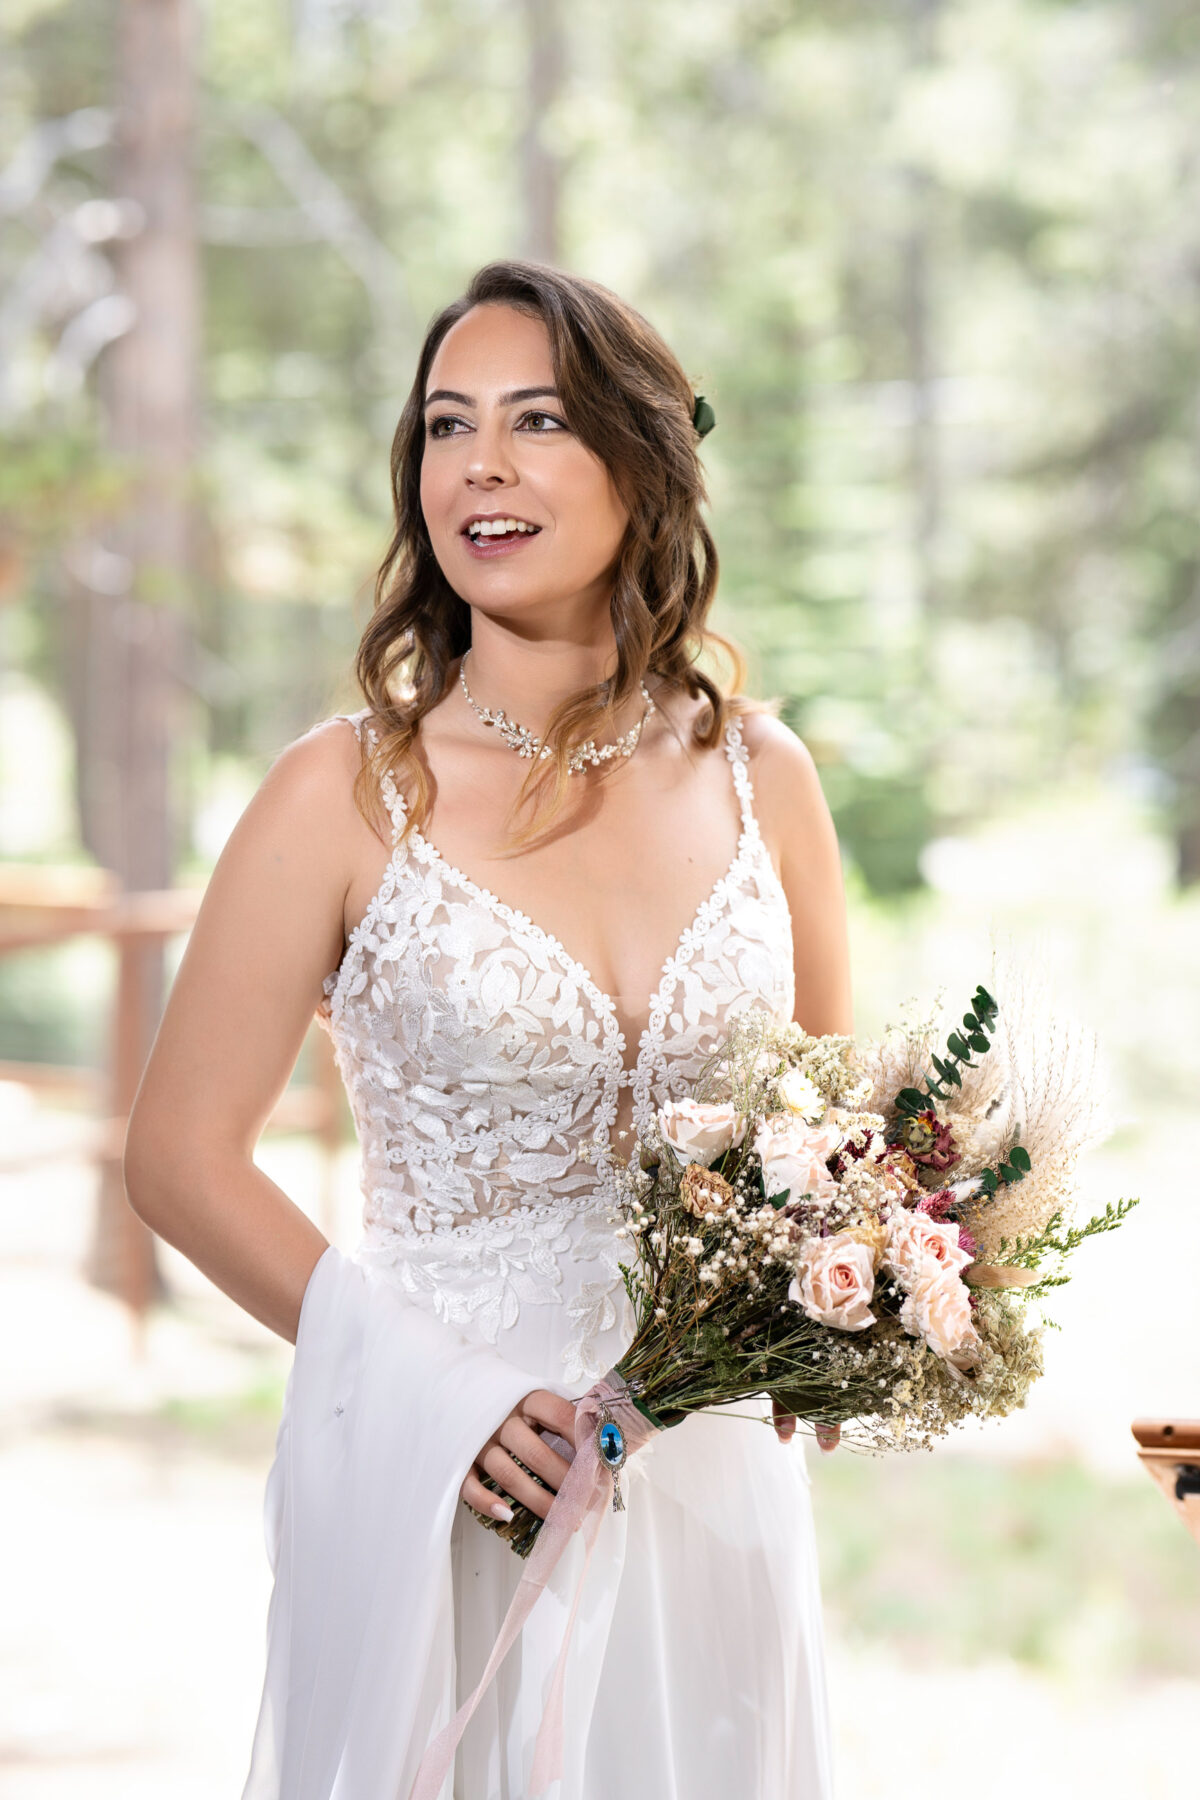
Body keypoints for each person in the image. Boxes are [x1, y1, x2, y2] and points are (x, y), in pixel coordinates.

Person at [124, 259, 853, 1800]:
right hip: (457, 1472)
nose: (483, 465)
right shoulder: (341, 793)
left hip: (710, 1478)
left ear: (642, 463)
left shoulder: (761, 775)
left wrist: (858, 1325)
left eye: (536, 421)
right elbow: (179, 1160)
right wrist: (433, 1400)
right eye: (448, 426)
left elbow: (837, 1152)